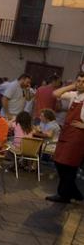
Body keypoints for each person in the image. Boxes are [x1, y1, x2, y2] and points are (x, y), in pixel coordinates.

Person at [46, 73, 84, 203]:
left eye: (83, 82)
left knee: (68, 165)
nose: (80, 83)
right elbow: (55, 94)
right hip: (67, 132)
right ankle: (73, 192)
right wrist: (73, 85)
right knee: (58, 161)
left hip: (78, 136)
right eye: (79, 81)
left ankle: (64, 194)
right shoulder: (75, 95)